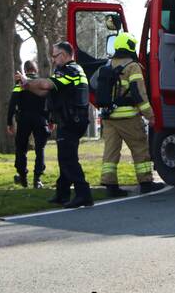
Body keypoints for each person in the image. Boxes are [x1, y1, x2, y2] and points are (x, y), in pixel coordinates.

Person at [16, 41, 93, 208]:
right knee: (64, 157)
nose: (53, 59)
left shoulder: (71, 70)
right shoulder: (66, 71)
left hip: (72, 120)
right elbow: (44, 91)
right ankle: (62, 193)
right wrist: (27, 86)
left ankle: (83, 193)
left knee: (68, 158)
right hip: (70, 119)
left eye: (55, 56)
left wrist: (26, 80)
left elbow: (45, 84)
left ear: (64, 56)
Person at [96, 32, 164, 196]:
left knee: (110, 152)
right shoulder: (132, 66)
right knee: (140, 149)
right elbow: (139, 94)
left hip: (109, 118)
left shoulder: (108, 65)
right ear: (130, 46)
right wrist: (150, 115)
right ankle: (146, 183)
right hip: (128, 118)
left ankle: (110, 186)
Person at [8, 60, 49, 188]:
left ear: (25, 70)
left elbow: (12, 104)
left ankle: (23, 176)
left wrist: (9, 122)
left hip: (24, 119)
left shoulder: (20, 84)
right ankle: (37, 179)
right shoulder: (41, 83)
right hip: (40, 118)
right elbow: (49, 102)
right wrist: (51, 120)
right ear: (35, 69)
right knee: (39, 149)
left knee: (21, 149)